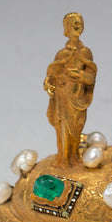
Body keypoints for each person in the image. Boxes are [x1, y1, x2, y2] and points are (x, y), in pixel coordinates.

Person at [43, 12, 97, 167]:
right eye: (74, 24)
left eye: (80, 23)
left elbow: (91, 76)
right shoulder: (62, 54)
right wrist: (48, 83)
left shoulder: (86, 53)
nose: (78, 26)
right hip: (63, 96)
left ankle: (74, 156)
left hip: (78, 97)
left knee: (77, 127)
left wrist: (79, 75)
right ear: (67, 28)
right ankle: (63, 158)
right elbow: (52, 74)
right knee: (62, 127)